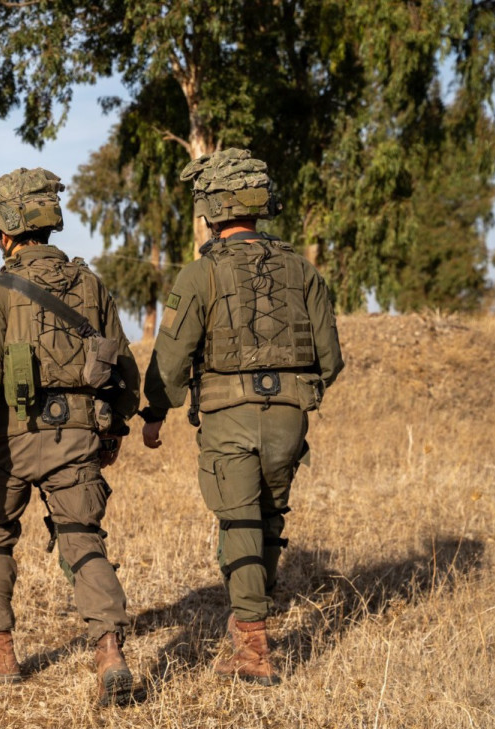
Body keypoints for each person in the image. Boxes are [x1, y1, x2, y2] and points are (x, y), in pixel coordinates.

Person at [138, 148, 344, 685]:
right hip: (290, 416)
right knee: (270, 517)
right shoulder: (303, 268)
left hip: (229, 417)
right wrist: (299, 395)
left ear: (211, 208)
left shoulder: (200, 274)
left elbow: (170, 359)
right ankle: (254, 613)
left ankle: (253, 646)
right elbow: (331, 358)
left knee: (241, 521)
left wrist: (154, 413)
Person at [0, 167, 141, 706]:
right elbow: (124, 366)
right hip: (78, 437)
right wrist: (117, 425)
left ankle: (0, 651)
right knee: (82, 538)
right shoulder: (91, 286)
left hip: (10, 444)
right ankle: (109, 654)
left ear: (5, 232)